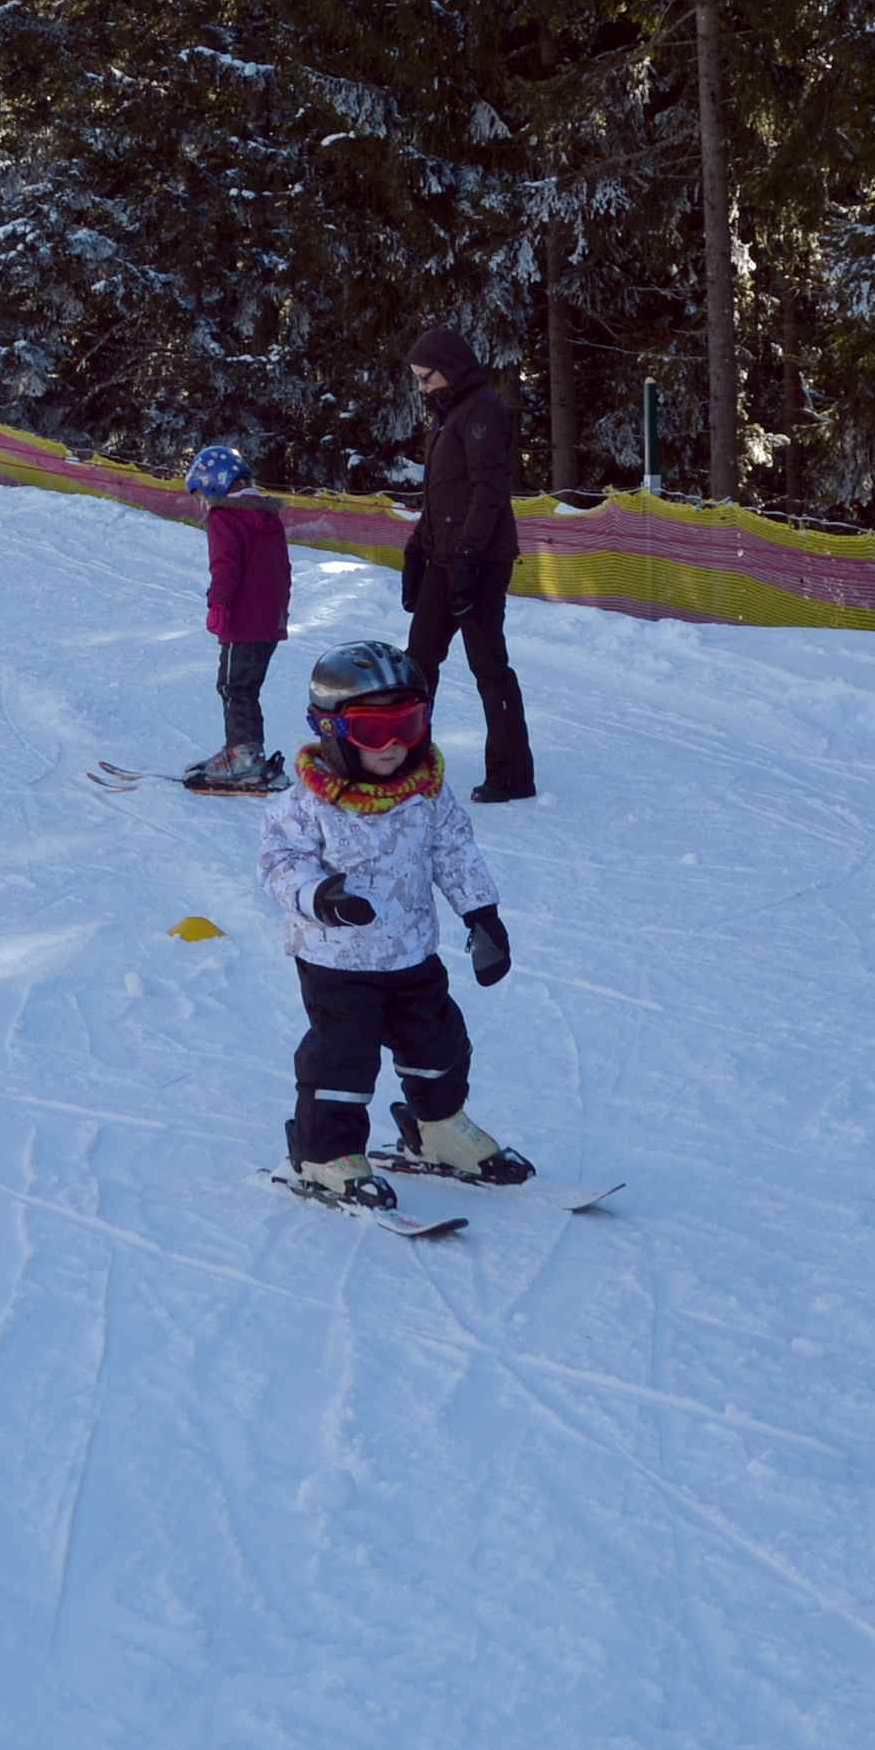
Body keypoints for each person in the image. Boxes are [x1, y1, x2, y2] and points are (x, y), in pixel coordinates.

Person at [257, 641, 524, 1207]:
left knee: (440, 1044)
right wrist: (320, 896)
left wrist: (482, 917)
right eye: (373, 730)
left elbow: (454, 852)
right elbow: (280, 865)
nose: (394, 745)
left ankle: (439, 1128)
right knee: (343, 1059)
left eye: (407, 723)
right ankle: (324, 1153)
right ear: (329, 730)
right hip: (338, 962)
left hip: (412, 955)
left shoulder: (425, 792)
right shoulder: (306, 802)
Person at [400, 325, 536, 802]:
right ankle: (407, 763)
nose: (422, 388)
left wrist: (467, 557)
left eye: (426, 378)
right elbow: (442, 496)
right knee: (418, 661)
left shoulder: (484, 413)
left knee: (488, 664)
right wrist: (418, 546)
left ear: (451, 369)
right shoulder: (448, 415)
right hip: (445, 557)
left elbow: (489, 492)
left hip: (479, 560)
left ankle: (512, 772)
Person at [186, 441, 290, 791]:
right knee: (246, 686)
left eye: (201, 493)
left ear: (216, 483)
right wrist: (279, 613)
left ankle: (245, 757)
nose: (201, 503)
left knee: (234, 686)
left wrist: (219, 605)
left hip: (241, 619)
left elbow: (225, 567)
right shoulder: (265, 514)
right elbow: (282, 570)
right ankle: (243, 750)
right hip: (268, 621)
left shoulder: (226, 516)